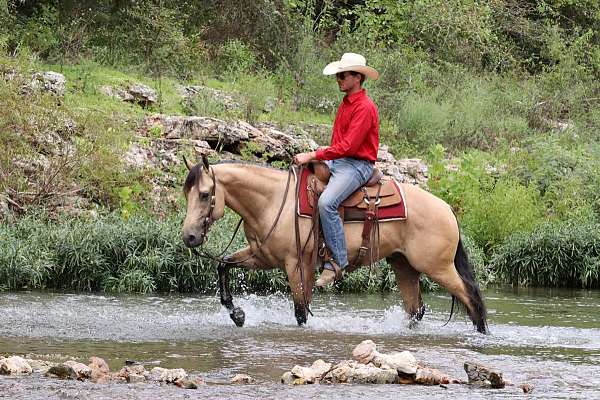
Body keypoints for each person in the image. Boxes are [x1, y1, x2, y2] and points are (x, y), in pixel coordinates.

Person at [293, 53, 380, 287]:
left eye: (343, 75)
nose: (338, 79)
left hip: (357, 165)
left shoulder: (365, 107)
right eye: (338, 75)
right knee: (301, 179)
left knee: (326, 203)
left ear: (357, 77)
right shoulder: (346, 103)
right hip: (340, 160)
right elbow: (339, 144)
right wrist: (322, 154)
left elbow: (349, 146)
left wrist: (314, 154)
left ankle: (338, 263)